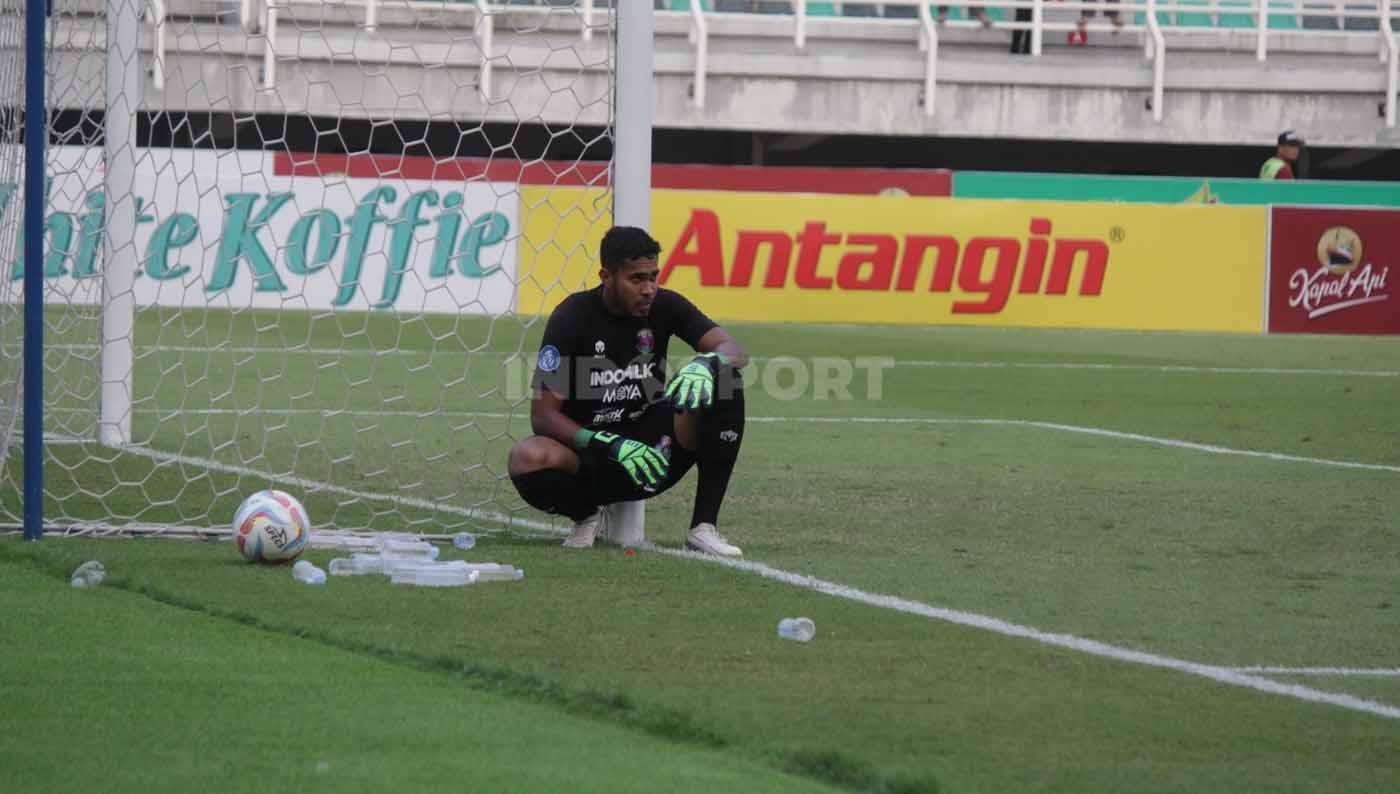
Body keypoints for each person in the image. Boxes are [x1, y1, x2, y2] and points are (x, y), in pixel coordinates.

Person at [506, 226, 749, 558]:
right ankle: (585, 515)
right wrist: (609, 443)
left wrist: (709, 361)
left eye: (654, 277)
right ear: (607, 276)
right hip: (595, 457)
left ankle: (703, 527)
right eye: (636, 279)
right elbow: (543, 416)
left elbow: (735, 350)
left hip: (655, 455)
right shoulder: (572, 317)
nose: (649, 289)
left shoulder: (666, 305)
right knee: (526, 456)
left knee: (726, 378)